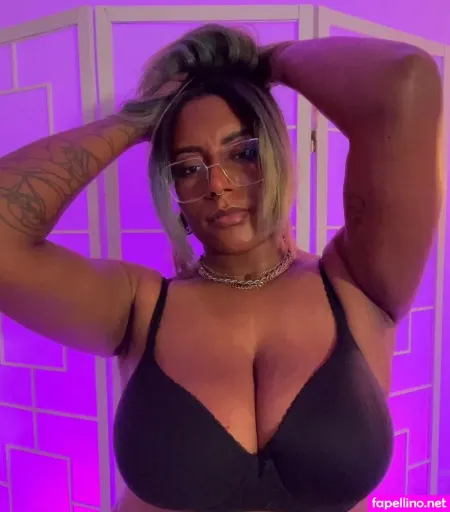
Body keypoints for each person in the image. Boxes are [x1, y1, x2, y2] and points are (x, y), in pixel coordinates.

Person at [0, 24, 442, 512]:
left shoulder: (356, 283)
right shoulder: (139, 307)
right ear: (173, 189)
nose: (218, 185)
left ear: (276, 155)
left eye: (244, 152)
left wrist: (263, 63)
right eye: (189, 167)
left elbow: (407, 82)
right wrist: (140, 117)